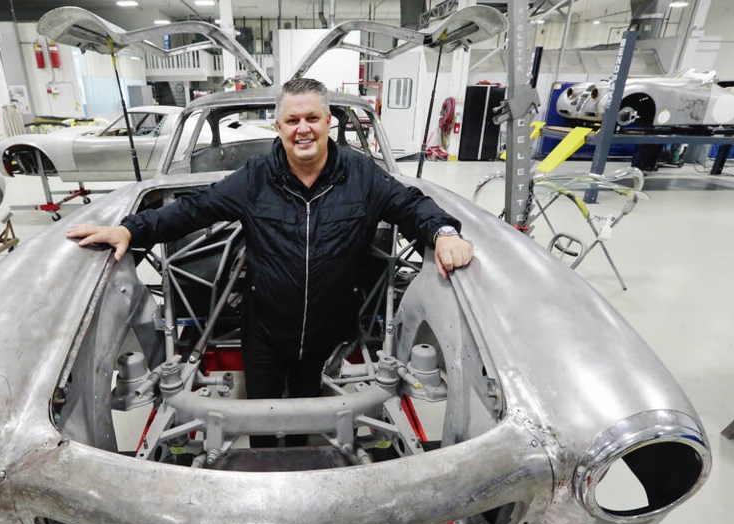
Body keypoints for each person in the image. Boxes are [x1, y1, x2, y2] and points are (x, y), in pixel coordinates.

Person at [67, 77, 473, 400]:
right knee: (262, 410)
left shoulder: (363, 175)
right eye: (292, 121)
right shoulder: (255, 177)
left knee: (309, 405)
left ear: (327, 121)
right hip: (264, 330)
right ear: (277, 127)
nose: (303, 129)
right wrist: (130, 228)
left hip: (329, 329)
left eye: (312, 118)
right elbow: (193, 209)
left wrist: (444, 233)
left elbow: (410, 205)